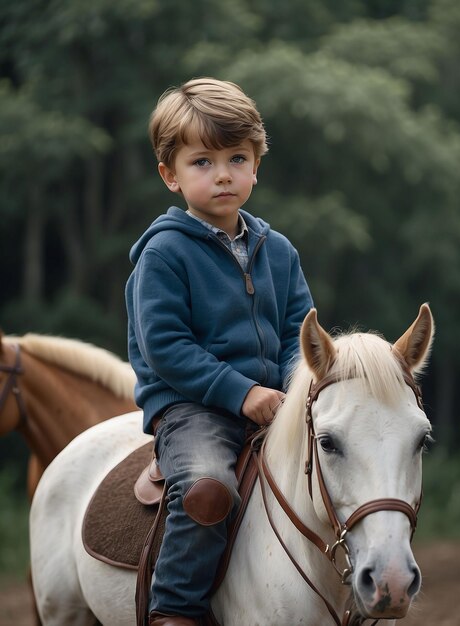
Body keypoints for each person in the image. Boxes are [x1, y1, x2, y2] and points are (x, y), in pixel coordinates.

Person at [125, 77, 313, 626]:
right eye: (202, 162)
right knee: (209, 487)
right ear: (170, 175)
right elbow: (166, 347)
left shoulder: (277, 250)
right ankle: (176, 608)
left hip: (272, 399)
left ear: (257, 165)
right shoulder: (163, 254)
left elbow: (298, 330)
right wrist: (241, 391)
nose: (223, 174)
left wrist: (294, 384)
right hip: (191, 407)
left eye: (236, 157)